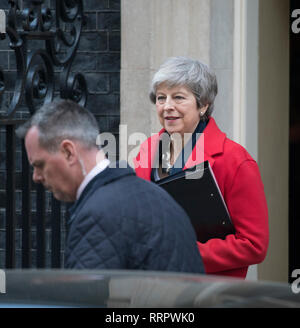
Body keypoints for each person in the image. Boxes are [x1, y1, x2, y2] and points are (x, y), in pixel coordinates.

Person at [16, 99, 205, 274]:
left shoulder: (97, 214)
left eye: (40, 165)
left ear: (68, 152)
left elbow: (83, 301)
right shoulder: (157, 196)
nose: (36, 177)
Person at [134, 56, 269, 278]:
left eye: (178, 97)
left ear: (203, 104)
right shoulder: (147, 150)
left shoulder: (235, 160)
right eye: (161, 98)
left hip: (209, 293)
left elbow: (254, 245)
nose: (167, 106)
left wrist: (181, 254)